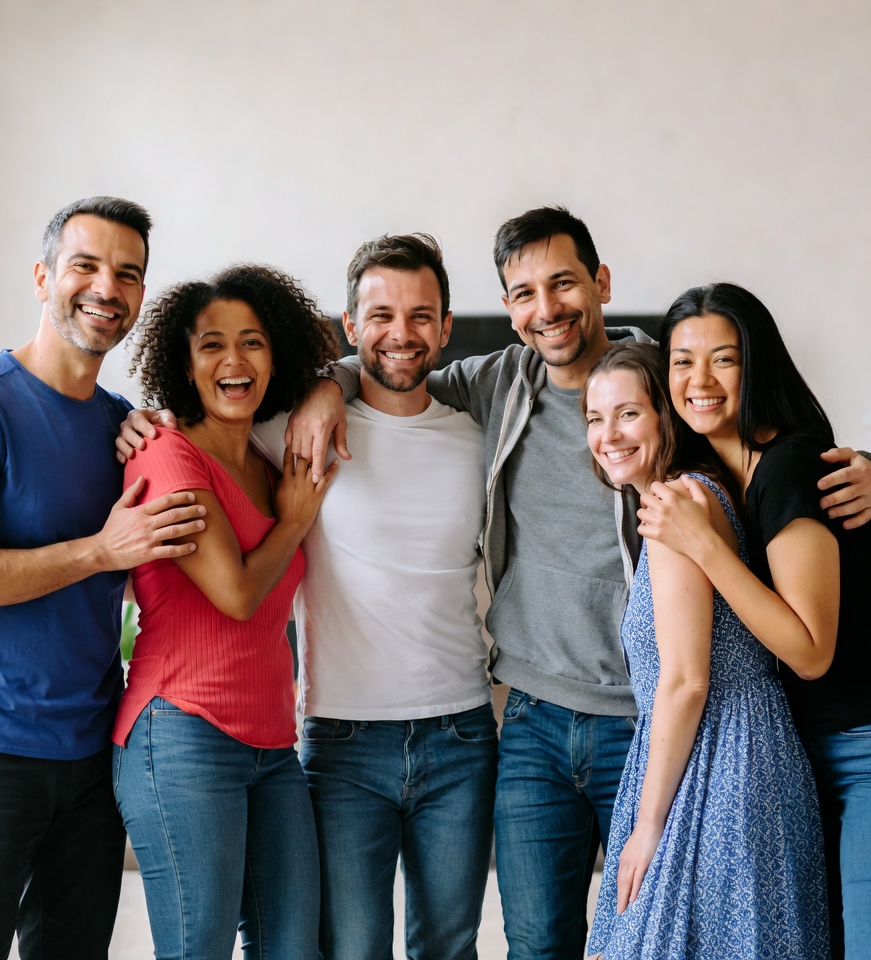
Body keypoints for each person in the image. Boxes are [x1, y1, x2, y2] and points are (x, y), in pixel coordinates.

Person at [285, 206, 871, 959]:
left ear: (600, 282)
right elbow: (393, 362)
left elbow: (765, 435)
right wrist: (322, 382)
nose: (547, 308)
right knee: (538, 942)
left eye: (563, 283)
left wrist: (852, 468)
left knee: (672, 927)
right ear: (505, 309)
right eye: (523, 293)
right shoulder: (495, 383)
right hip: (533, 720)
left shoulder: (671, 378)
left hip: (649, 716)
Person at [120, 234, 497, 960]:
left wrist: (330, 382)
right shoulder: (281, 435)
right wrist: (138, 418)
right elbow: (198, 426)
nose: (403, 333)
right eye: (381, 314)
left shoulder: (478, 436)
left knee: (435, 946)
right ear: (350, 328)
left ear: (447, 327)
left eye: (423, 316)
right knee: (345, 948)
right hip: (328, 737)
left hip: (451, 732)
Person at [0, 197, 208, 960]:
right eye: (86, 265)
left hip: (87, 751)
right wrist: (101, 552)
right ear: (44, 276)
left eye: (128, 273)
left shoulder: (122, 427)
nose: (107, 286)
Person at [637, 282, 871, 960]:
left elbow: (809, 650)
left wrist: (704, 546)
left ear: (758, 366)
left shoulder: (790, 467)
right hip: (799, 757)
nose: (699, 380)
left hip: (859, 748)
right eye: (682, 361)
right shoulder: (723, 481)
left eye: (724, 359)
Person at [112, 264, 339, 959]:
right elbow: (237, 594)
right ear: (184, 362)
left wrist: (329, 387)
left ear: (278, 357)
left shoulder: (270, 469)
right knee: (197, 947)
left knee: (291, 945)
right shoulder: (167, 454)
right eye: (211, 344)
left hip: (271, 743)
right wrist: (296, 522)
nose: (234, 362)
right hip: (182, 732)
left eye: (253, 342)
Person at [581, 342, 828, 958]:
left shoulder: (678, 502)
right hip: (731, 755)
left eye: (629, 414)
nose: (608, 434)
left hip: (723, 766)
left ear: (667, 416)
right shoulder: (699, 495)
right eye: (594, 417)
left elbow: (687, 680)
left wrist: (648, 825)